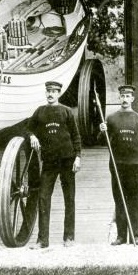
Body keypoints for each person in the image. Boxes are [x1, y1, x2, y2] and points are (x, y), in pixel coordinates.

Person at [27, 79, 82, 249]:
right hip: (49, 162)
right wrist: (32, 136)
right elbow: (27, 128)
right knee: (43, 198)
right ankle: (42, 240)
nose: (50, 94)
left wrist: (78, 157)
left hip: (67, 160)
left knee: (69, 198)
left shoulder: (66, 112)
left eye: (54, 91)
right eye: (48, 91)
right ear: (46, 93)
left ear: (59, 93)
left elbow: (76, 136)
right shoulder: (40, 112)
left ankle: (69, 237)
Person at [98, 84, 138, 245]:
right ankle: (121, 236)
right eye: (123, 96)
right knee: (119, 200)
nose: (125, 99)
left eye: (128, 96)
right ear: (119, 98)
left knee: (134, 201)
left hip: (134, 166)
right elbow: (101, 141)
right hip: (117, 165)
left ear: (132, 98)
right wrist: (102, 130)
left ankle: (136, 235)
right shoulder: (111, 118)